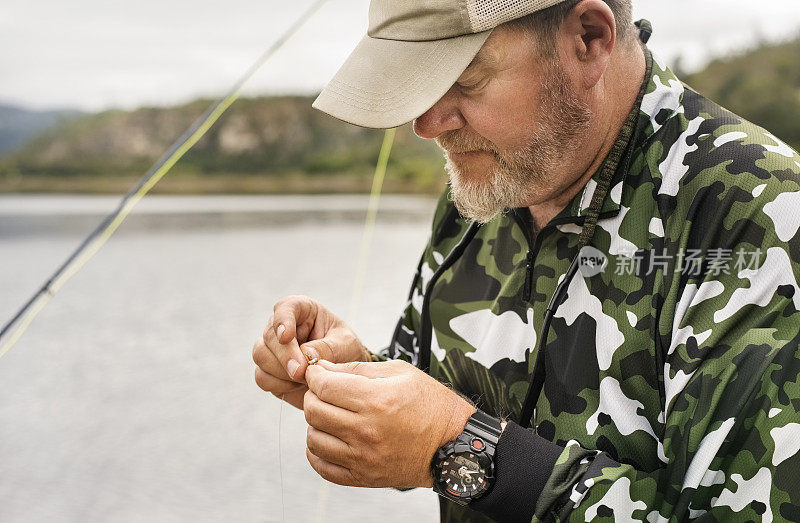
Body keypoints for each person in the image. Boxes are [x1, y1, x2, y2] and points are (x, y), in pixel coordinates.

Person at [252, 0, 800, 520]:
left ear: (590, 38)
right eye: (418, 84)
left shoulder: (757, 212)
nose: (426, 123)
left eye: (464, 80)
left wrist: (460, 448)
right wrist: (357, 378)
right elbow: (435, 410)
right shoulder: (483, 187)